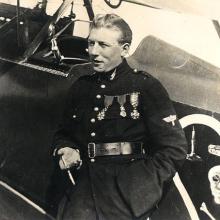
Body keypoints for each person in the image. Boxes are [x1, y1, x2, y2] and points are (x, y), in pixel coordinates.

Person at [52, 13, 188, 220]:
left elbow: (174, 148)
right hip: (85, 188)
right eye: (91, 43)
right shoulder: (81, 87)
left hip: (126, 195)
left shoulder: (145, 86)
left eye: (103, 45)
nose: (94, 52)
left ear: (125, 49)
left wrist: (142, 189)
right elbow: (64, 132)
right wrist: (66, 148)